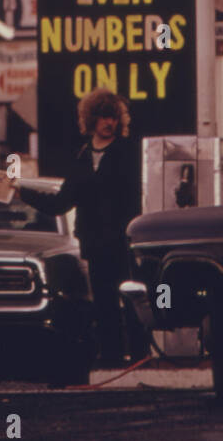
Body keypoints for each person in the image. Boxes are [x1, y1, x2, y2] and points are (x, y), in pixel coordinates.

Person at [14, 88, 144, 368]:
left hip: (123, 241)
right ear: (91, 119)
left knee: (132, 299)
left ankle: (139, 357)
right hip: (95, 243)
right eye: (103, 117)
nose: (109, 122)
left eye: (113, 117)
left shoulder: (128, 153)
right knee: (104, 302)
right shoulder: (82, 156)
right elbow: (61, 201)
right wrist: (23, 192)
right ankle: (111, 357)